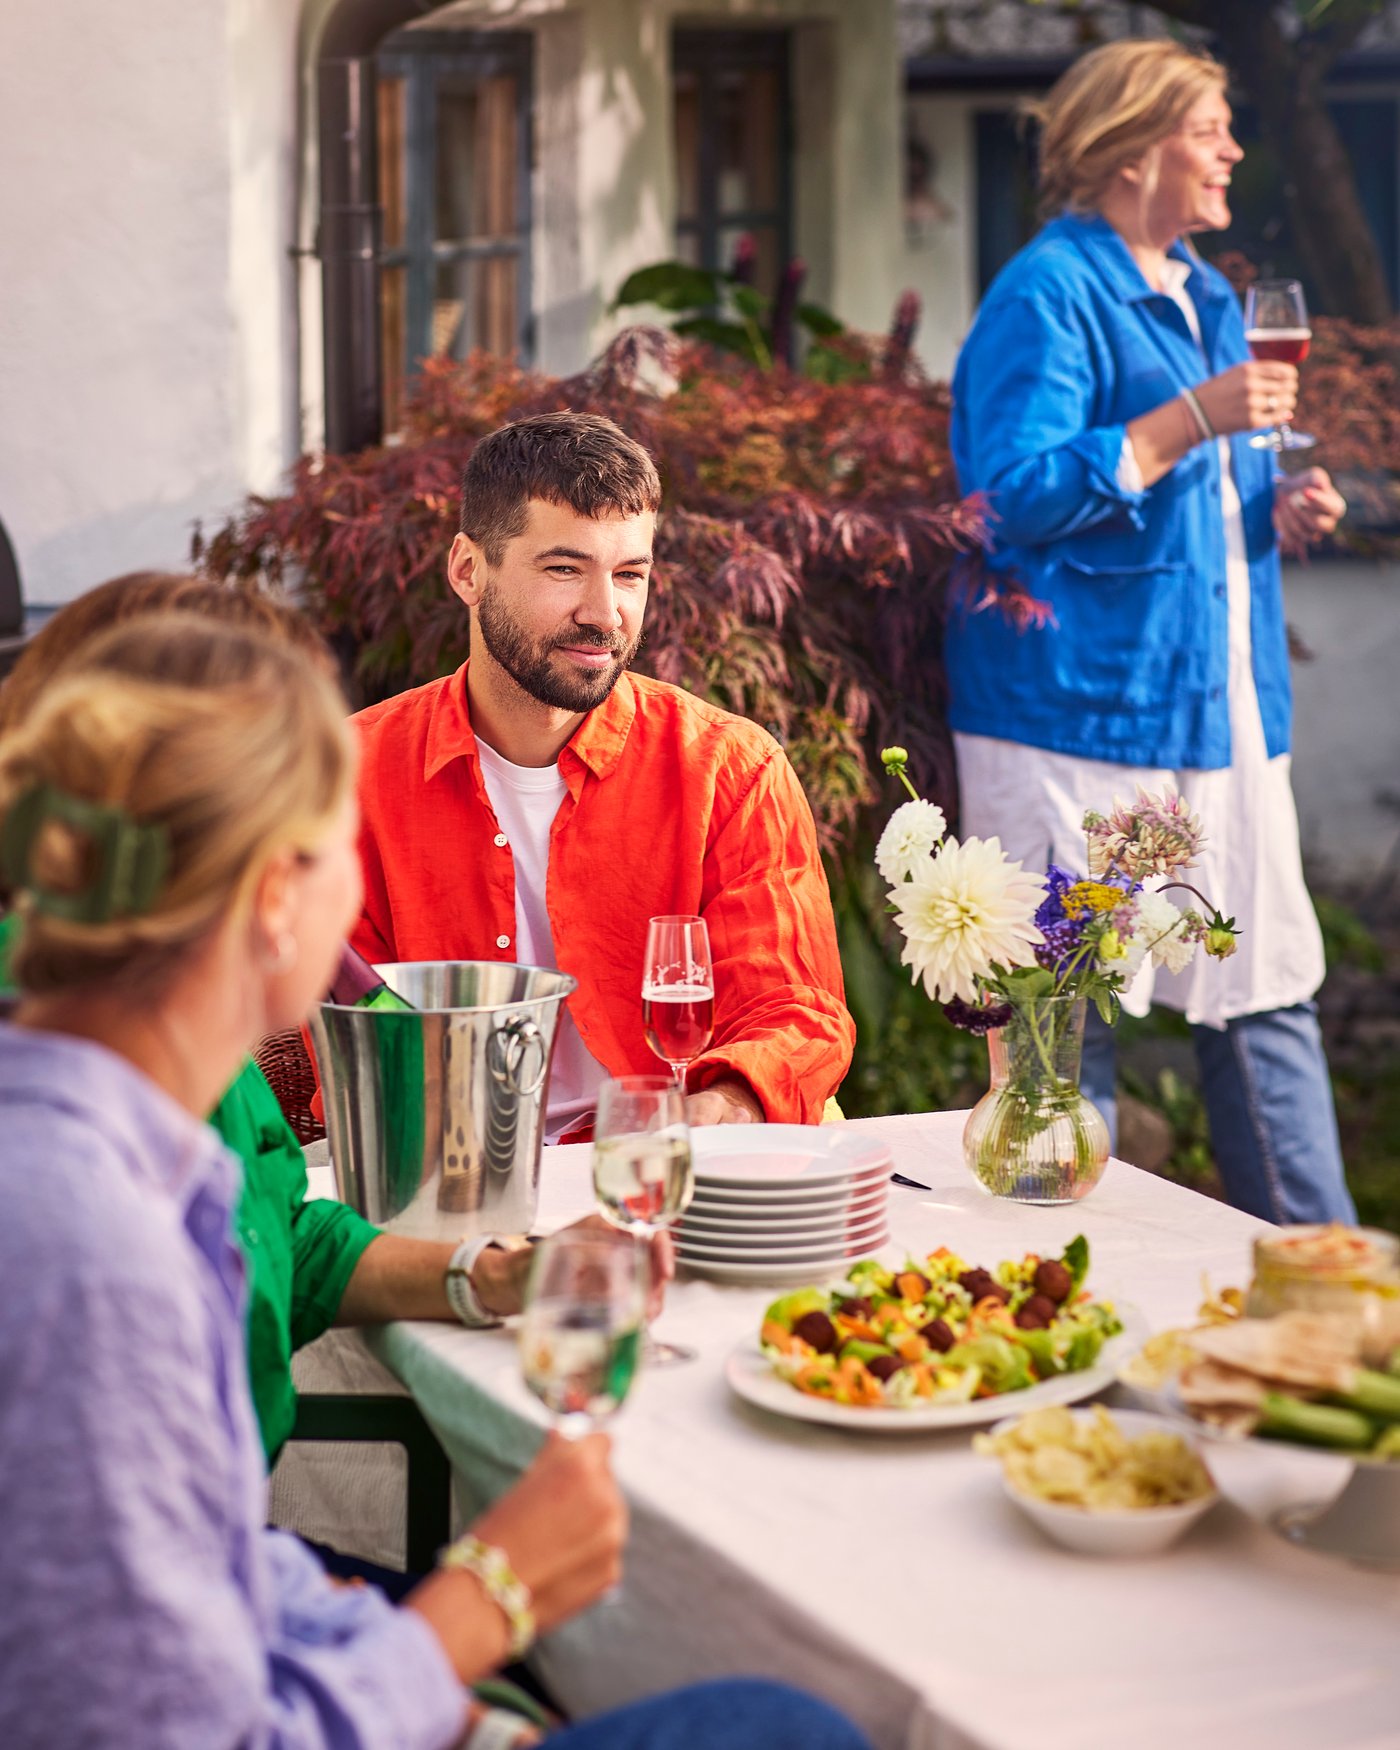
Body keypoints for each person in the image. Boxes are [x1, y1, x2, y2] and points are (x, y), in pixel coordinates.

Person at [0, 611, 873, 1750]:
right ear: (274, 901)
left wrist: (494, 1274)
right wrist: (493, 1591)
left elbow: (203, 1567)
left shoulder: (119, 1122)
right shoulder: (90, 1252)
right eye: (337, 853)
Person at [0, 570, 669, 1468]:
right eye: (329, 832)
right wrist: (501, 1586)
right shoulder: (85, 1194)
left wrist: (491, 1272)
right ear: (267, 878)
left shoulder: (175, 1038)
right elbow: (154, 1592)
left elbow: (274, 1227)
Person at [945, 39, 1354, 1225]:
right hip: (1071, 716)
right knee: (1067, 1018)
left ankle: (1335, 1304)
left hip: (1212, 703)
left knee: (1263, 986)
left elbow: (1180, 506)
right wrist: (1189, 418)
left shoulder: (1209, 294)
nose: (1232, 149)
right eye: (1208, 127)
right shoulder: (1045, 291)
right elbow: (1007, 494)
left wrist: (1267, 505)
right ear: (1132, 147)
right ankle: (1048, 1303)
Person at [353, 411, 854, 1139]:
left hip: (665, 1171)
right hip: (446, 1173)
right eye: (564, 569)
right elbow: (345, 1019)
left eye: (629, 575)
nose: (605, 613)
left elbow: (794, 1008)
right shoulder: (353, 775)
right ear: (468, 570)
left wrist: (725, 1106)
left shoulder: (731, 771)